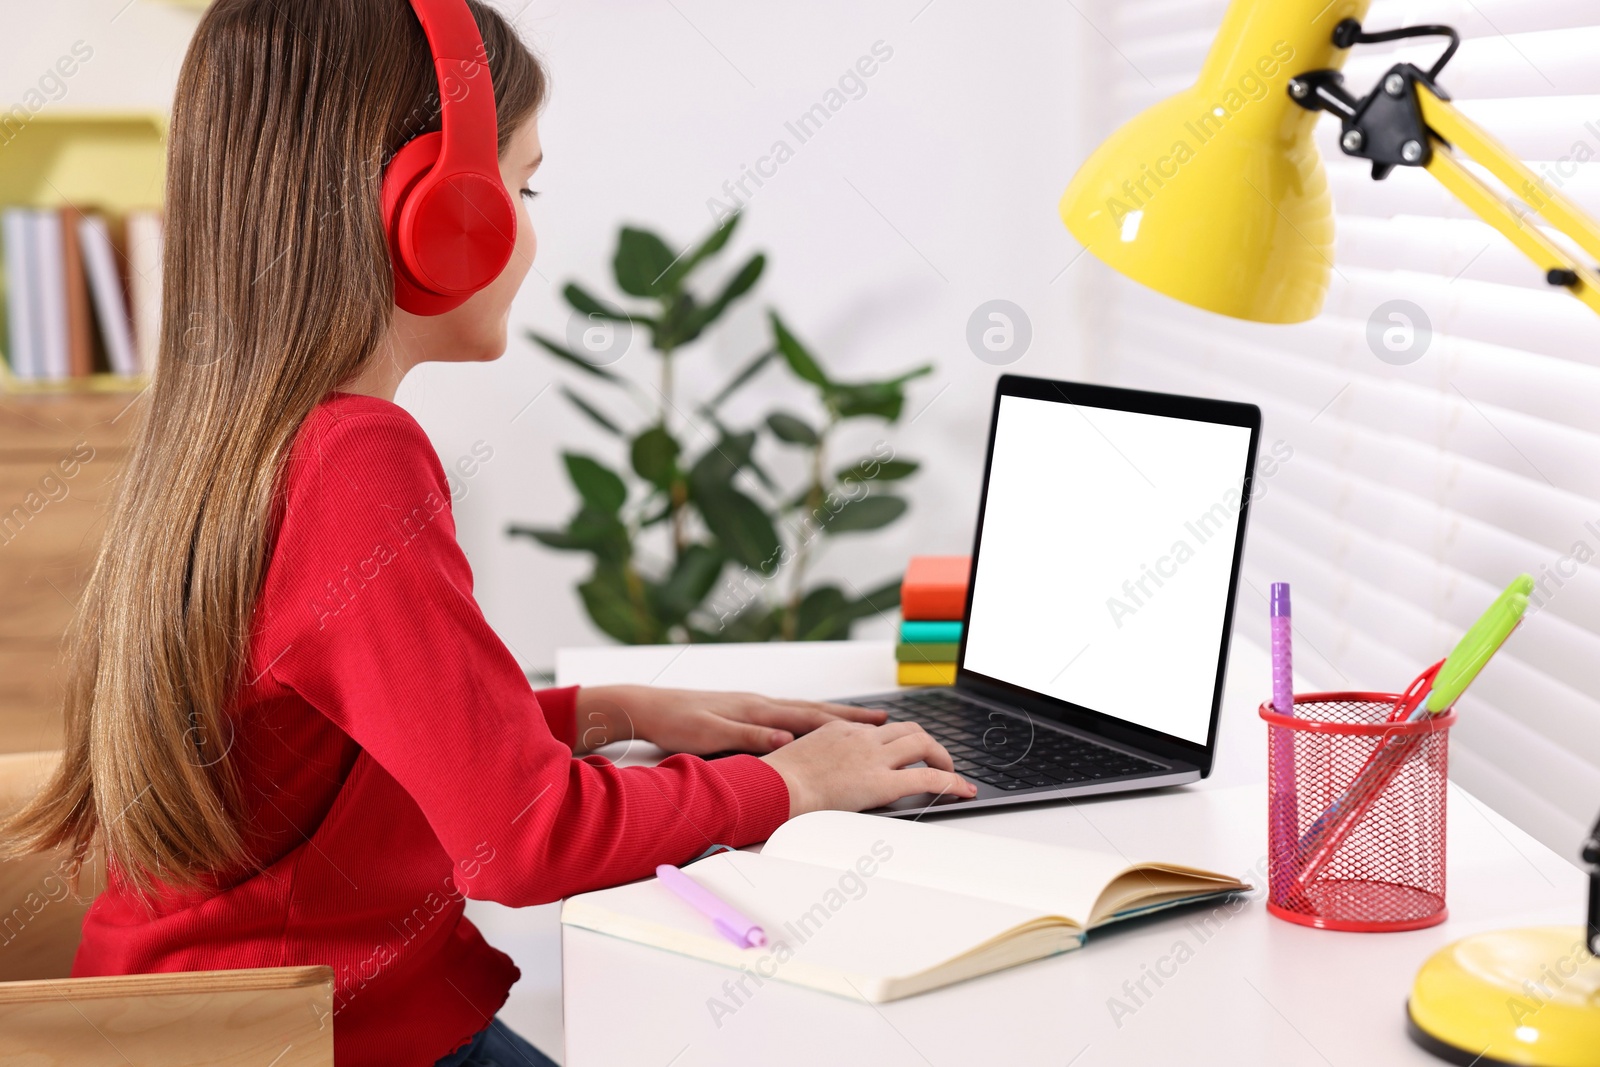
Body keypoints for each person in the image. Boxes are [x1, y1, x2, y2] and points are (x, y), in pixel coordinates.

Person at [0, 2, 974, 1065]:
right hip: (303, 1034)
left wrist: (603, 711)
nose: (525, 222)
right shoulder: (354, 458)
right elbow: (521, 838)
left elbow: (366, 743)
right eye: (522, 183)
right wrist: (799, 783)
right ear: (433, 211)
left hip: (193, 1022)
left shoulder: (234, 433)